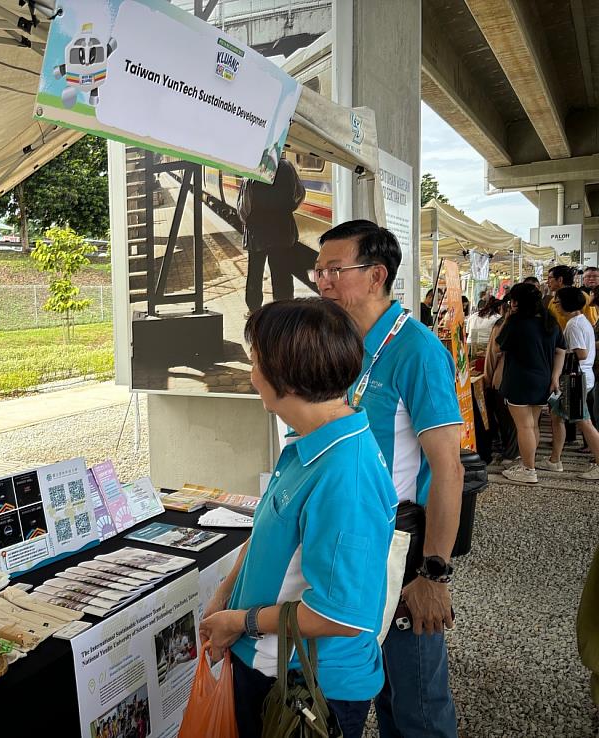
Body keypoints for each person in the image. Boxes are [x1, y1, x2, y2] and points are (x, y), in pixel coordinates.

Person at [200, 298, 397, 738]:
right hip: (268, 664)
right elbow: (269, 530)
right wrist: (225, 598)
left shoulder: (346, 473)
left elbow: (341, 615)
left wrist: (240, 621)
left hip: (308, 687)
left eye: (255, 362)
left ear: (282, 377)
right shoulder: (309, 442)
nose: (252, 375)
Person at [312, 220, 463, 738]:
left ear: (376, 275)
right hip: (350, 546)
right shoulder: (339, 343)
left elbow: (448, 466)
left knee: (415, 699)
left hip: (402, 550)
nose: (322, 281)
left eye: (335, 270)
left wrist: (434, 573)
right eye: (319, 270)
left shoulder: (416, 350)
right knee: (363, 684)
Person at [497, 283, 566, 484]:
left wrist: (508, 316)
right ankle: (529, 463)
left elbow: (498, 347)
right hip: (543, 380)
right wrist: (554, 377)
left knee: (524, 426)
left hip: (519, 380)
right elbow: (561, 350)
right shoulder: (550, 322)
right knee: (532, 424)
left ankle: (529, 470)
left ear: (517, 302)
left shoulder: (516, 323)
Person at [540, 287, 599, 479]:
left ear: (566, 303)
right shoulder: (582, 321)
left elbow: (580, 353)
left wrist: (559, 353)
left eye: (557, 301)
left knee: (585, 422)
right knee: (556, 416)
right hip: (582, 377)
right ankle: (554, 460)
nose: (555, 305)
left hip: (575, 379)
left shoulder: (574, 325)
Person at [237, 157, 306, 314]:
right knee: (282, 272)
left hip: (257, 232)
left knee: (255, 272)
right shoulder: (287, 166)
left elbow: (243, 206)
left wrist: (250, 222)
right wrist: (285, 210)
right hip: (282, 230)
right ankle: (284, 310)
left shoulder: (253, 166)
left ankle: (254, 309)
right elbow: (299, 193)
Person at [483, 296, 519, 465]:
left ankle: (510, 454)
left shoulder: (502, 326)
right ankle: (523, 455)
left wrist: (488, 379)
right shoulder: (543, 323)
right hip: (534, 380)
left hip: (504, 377)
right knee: (528, 422)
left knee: (507, 419)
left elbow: (492, 355)